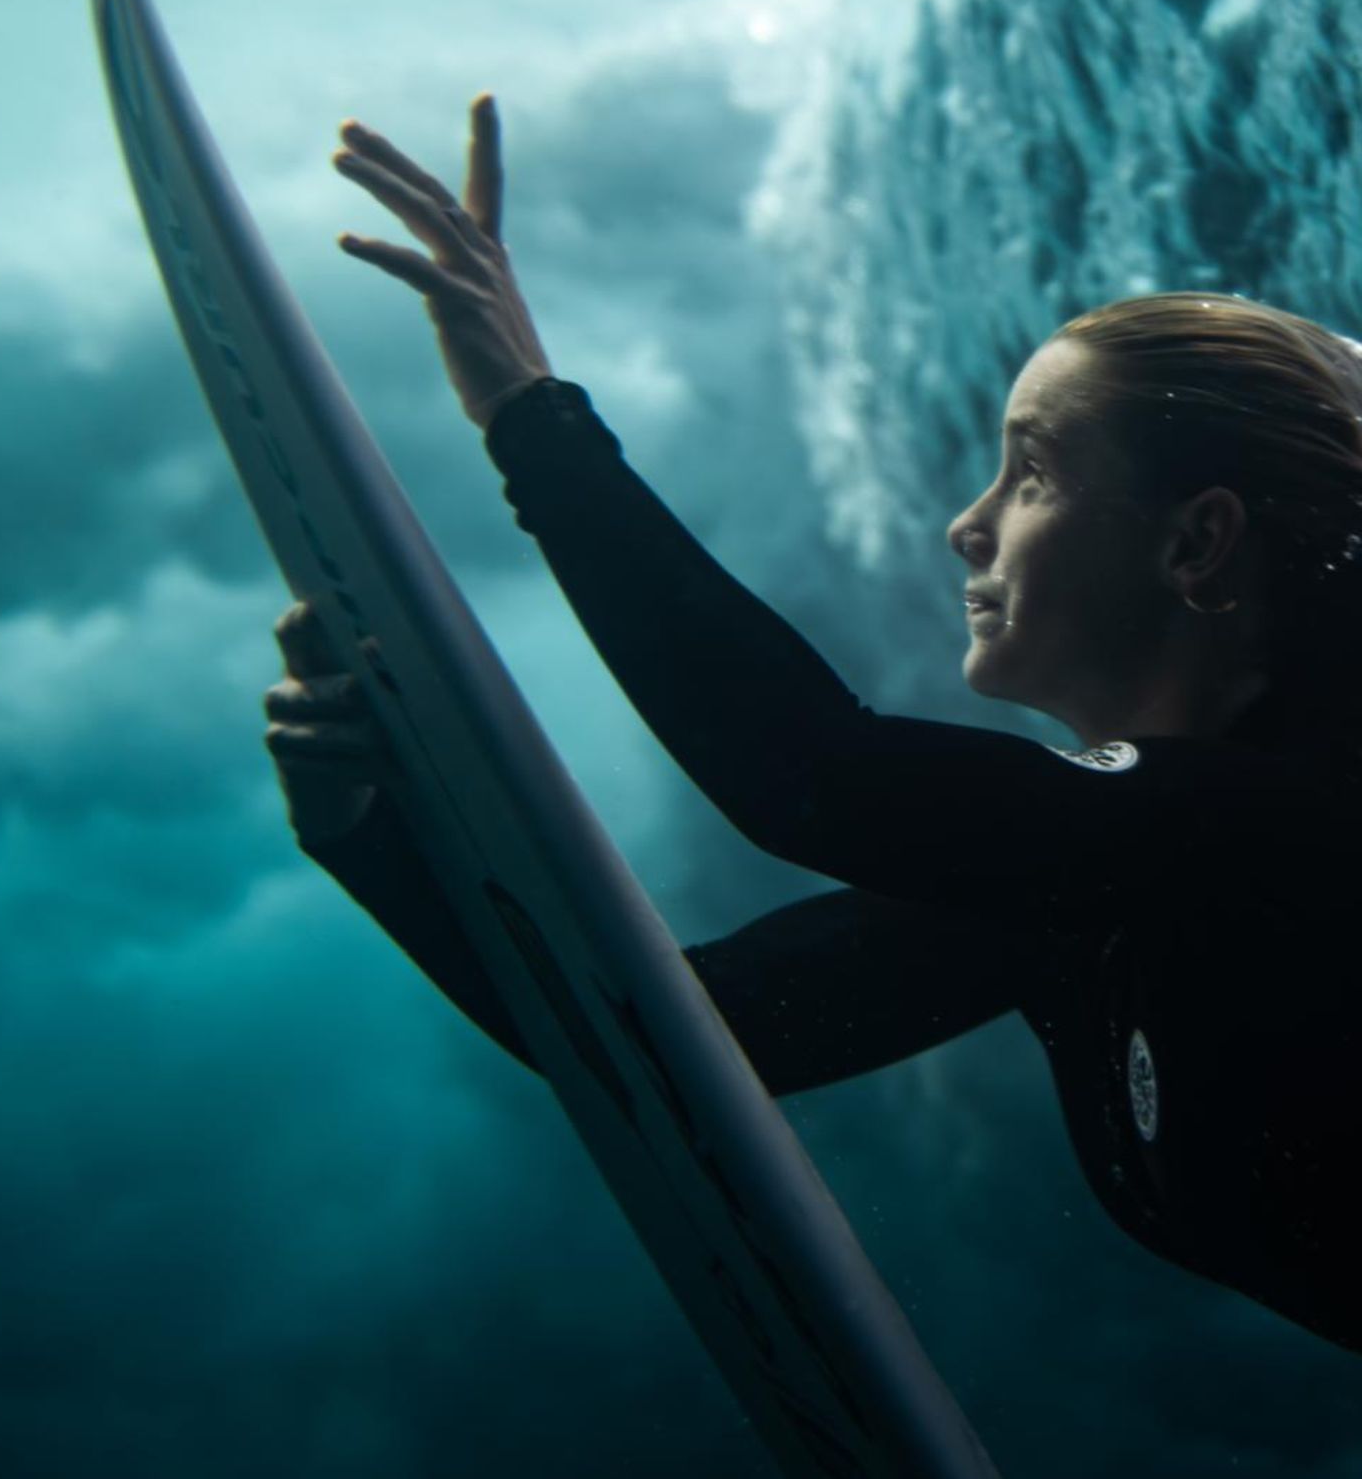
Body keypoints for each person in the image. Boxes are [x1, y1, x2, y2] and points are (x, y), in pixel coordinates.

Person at [264, 96, 1362, 1354]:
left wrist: (531, 416)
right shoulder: (1086, 893)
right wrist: (362, 826)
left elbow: (809, 777)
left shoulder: (1297, 832)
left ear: (1197, 540)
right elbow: (670, 1043)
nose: (970, 522)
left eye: (1034, 470)